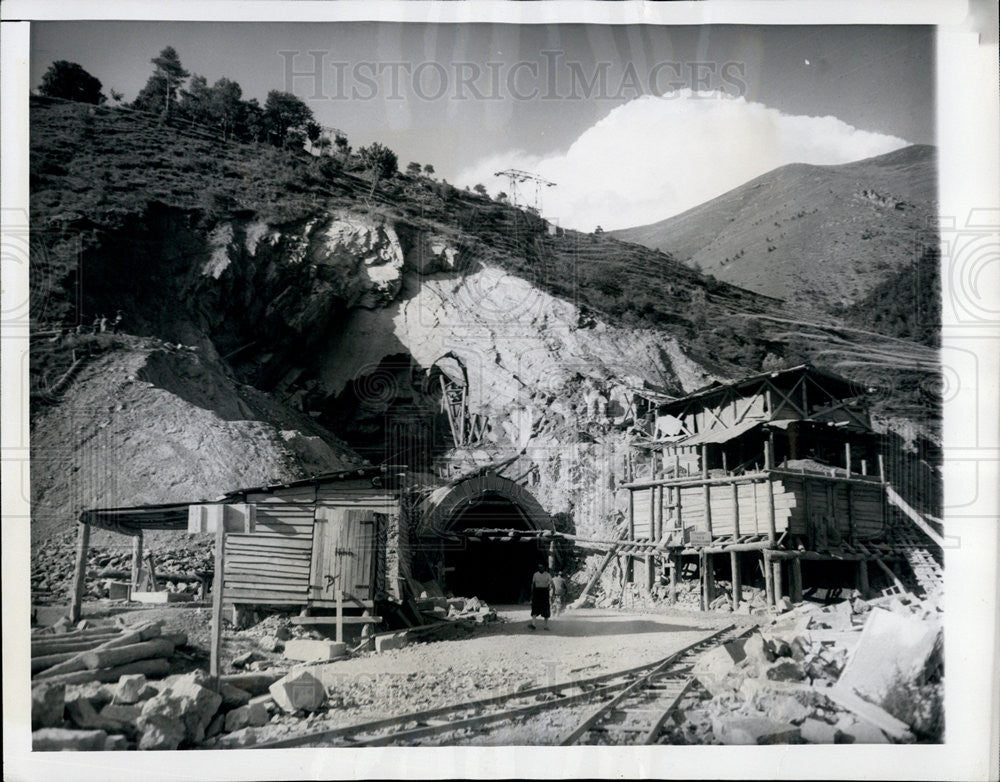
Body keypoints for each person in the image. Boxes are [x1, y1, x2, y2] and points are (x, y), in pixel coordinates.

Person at [528, 562, 552, 630]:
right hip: (537, 592)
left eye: (542, 567)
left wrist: (549, 590)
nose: (540, 568)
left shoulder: (548, 574)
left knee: (546, 608)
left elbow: (551, 583)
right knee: (535, 607)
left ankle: (546, 626)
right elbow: (533, 584)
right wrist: (532, 593)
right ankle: (533, 625)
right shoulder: (535, 574)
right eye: (539, 567)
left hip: (544, 592)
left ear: (544, 567)